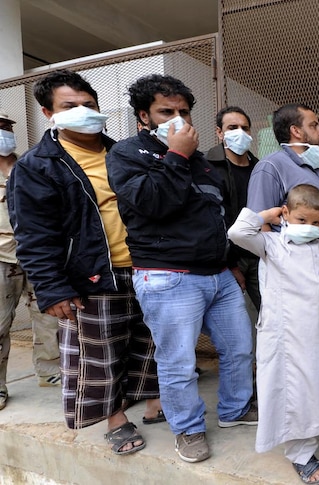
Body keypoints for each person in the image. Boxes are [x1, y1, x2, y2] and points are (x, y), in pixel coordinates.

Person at [7, 70, 161, 454]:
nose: (83, 112)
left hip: (144, 266)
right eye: (69, 106)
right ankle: (114, 416)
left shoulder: (123, 152)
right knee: (101, 350)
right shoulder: (37, 165)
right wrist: (52, 287)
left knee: (150, 340)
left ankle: (151, 397)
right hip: (90, 273)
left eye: (89, 105)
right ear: (48, 113)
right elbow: (34, 233)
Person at [106, 74, 257, 464]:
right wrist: (175, 155)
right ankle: (188, 429)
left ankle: (235, 410)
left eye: (184, 111)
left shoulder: (203, 163)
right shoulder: (127, 154)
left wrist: (229, 264)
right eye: (166, 111)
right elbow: (153, 204)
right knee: (178, 362)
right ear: (144, 116)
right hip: (168, 277)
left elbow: (215, 216)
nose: (178, 117)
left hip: (217, 275)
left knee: (239, 347)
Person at [228, 184, 319, 485]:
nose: (309, 227)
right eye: (301, 220)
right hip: (289, 338)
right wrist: (266, 215)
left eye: (314, 222)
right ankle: (301, 454)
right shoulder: (270, 243)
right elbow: (237, 233)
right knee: (297, 394)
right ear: (286, 214)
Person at [0, 111, 61, 411]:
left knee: (49, 318)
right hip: (2, 259)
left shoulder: (30, 165)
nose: (4, 133)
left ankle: (50, 372)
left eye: (6, 127)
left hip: (38, 257)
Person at [247, 103, 319, 226]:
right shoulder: (271, 166)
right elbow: (259, 222)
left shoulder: (314, 167)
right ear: (295, 131)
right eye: (313, 126)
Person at [206, 106, 261, 310]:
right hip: (224, 261)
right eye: (232, 127)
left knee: (273, 314)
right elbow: (210, 219)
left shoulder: (260, 168)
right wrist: (230, 264)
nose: (240, 132)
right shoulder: (206, 166)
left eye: (244, 128)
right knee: (230, 320)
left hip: (258, 256)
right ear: (219, 132)